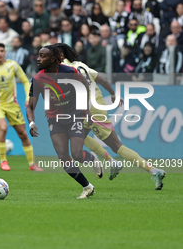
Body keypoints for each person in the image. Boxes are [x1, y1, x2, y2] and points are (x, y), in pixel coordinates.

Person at [55, 43, 167, 190]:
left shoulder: (64, 67)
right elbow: (103, 81)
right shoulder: (81, 65)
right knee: (77, 136)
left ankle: (153, 171)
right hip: (95, 106)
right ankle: (111, 161)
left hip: (88, 108)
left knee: (117, 146)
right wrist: (113, 94)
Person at [26, 45, 102, 199]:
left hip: (74, 115)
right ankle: (87, 187)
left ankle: (92, 158)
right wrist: (31, 123)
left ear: (53, 59)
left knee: (76, 154)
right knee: (63, 157)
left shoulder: (70, 72)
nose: (38, 59)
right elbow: (30, 106)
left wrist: (86, 110)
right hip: (55, 120)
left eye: (42, 56)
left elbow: (85, 87)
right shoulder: (38, 79)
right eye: (38, 56)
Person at [0, 43, 43, 172]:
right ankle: (3, 161)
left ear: (5, 52)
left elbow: (25, 81)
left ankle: (32, 164)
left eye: (2, 50)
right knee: (3, 128)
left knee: (23, 134)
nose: (0, 53)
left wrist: (27, 98)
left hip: (12, 104)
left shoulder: (12, 65)